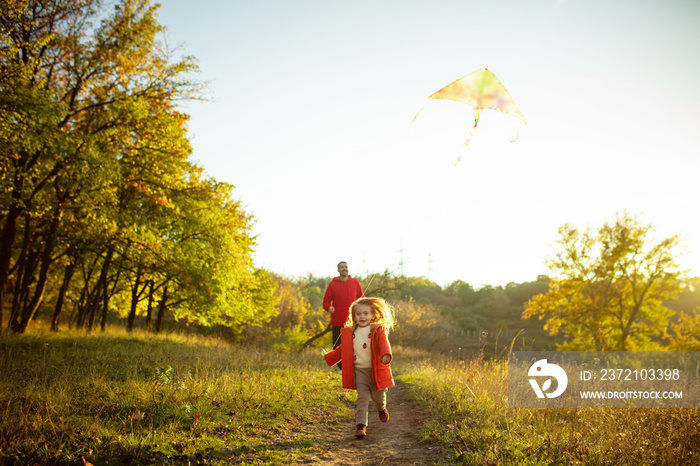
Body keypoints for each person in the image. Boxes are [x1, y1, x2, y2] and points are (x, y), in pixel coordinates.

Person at [323, 297, 395, 439]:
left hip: (376, 371)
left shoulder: (378, 330)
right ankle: (361, 425)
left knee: (379, 398)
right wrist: (329, 357)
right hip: (360, 371)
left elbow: (383, 342)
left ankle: (381, 409)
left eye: (366, 313)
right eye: (359, 314)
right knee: (362, 397)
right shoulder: (351, 333)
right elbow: (341, 350)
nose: (362, 316)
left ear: (373, 315)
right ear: (353, 316)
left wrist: (386, 354)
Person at [322, 261, 364, 371]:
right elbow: (326, 301)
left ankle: (355, 366)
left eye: (345, 267)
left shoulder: (355, 282)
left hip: (354, 320)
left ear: (348, 268)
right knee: (338, 346)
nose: (344, 269)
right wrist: (329, 307)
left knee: (356, 344)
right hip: (338, 320)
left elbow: (362, 298)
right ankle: (341, 368)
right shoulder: (333, 284)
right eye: (341, 267)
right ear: (338, 270)